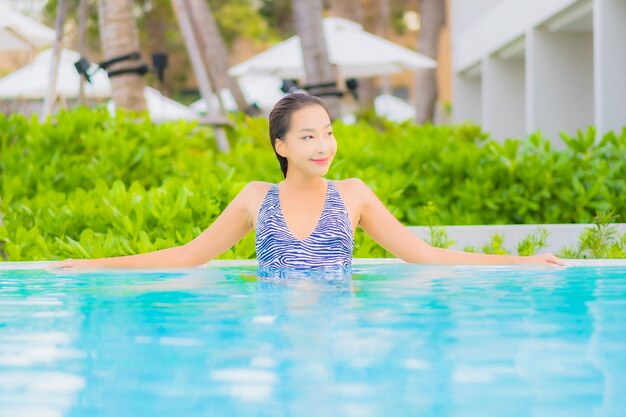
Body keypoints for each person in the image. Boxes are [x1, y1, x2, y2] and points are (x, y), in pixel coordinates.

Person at [52, 93, 565, 270]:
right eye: (308, 137)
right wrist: (92, 264)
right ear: (280, 146)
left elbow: (427, 254)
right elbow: (188, 255)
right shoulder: (257, 199)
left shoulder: (354, 195)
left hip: (338, 333)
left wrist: (520, 262)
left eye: (328, 134)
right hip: (273, 332)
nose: (323, 147)